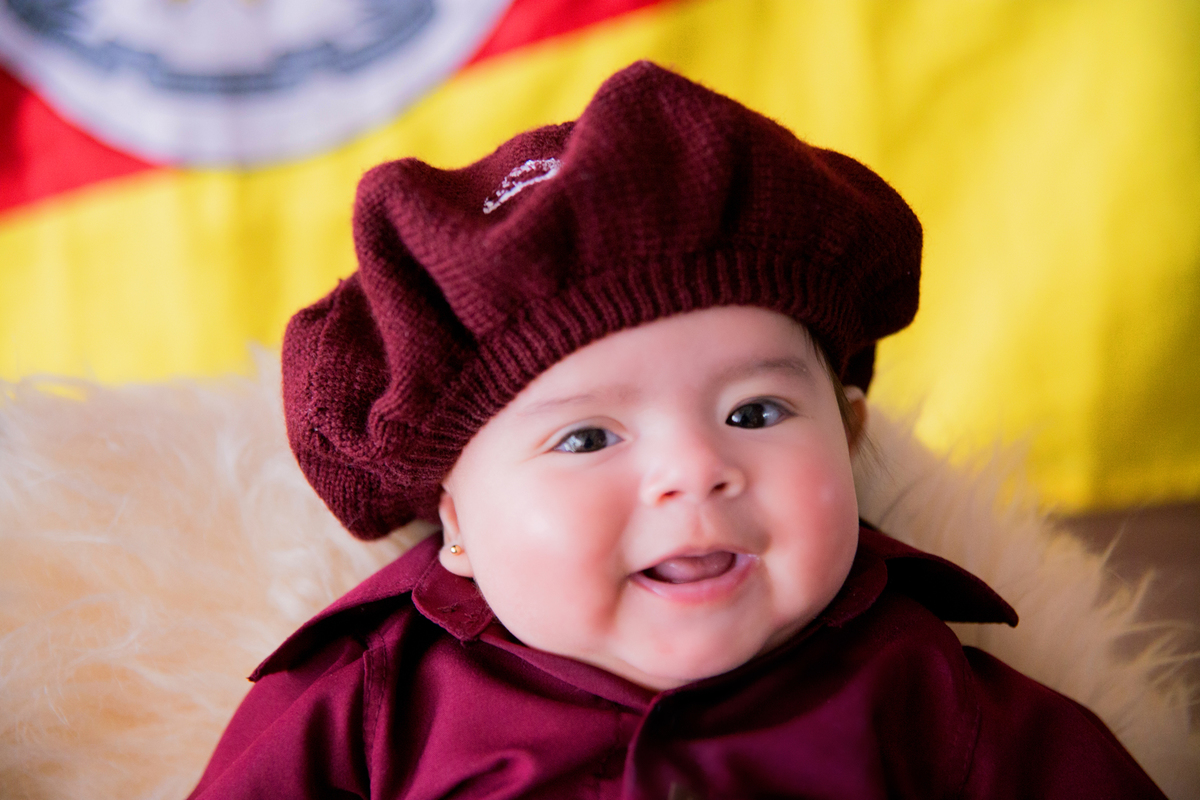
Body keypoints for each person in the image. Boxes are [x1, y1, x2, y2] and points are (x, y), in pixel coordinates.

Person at [188, 61, 1165, 799]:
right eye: (587, 438)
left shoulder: (923, 693)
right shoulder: (374, 706)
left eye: (755, 412)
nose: (696, 470)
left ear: (851, 436)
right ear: (455, 521)